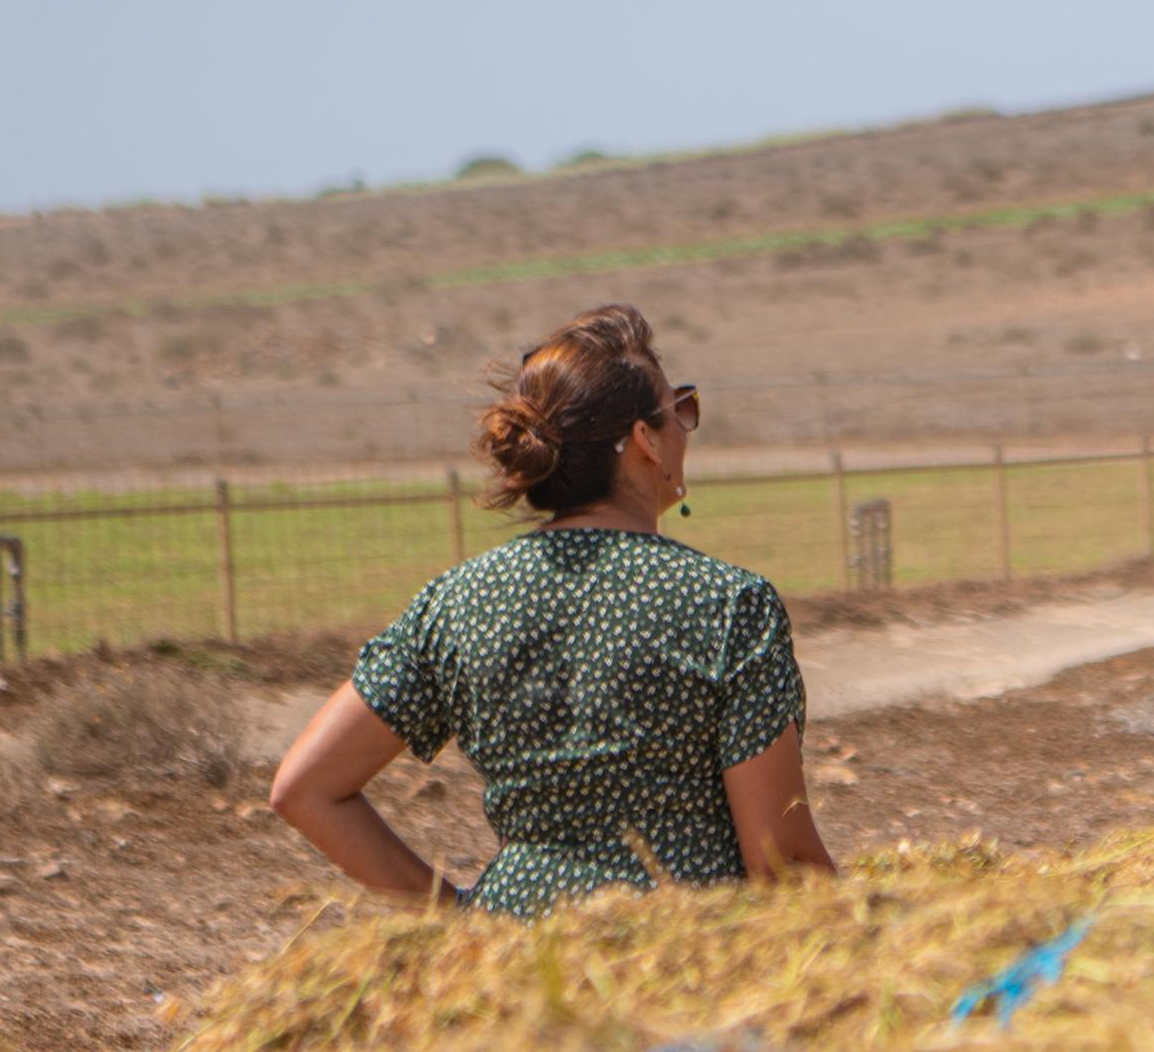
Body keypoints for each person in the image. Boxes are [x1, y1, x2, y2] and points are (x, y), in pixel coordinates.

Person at [271, 304, 836, 912]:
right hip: (686, 969)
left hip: (518, 977)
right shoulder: (728, 606)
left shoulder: (457, 604)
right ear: (645, 441)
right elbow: (784, 866)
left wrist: (459, 924)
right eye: (681, 409)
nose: (685, 429)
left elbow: (305, 790)